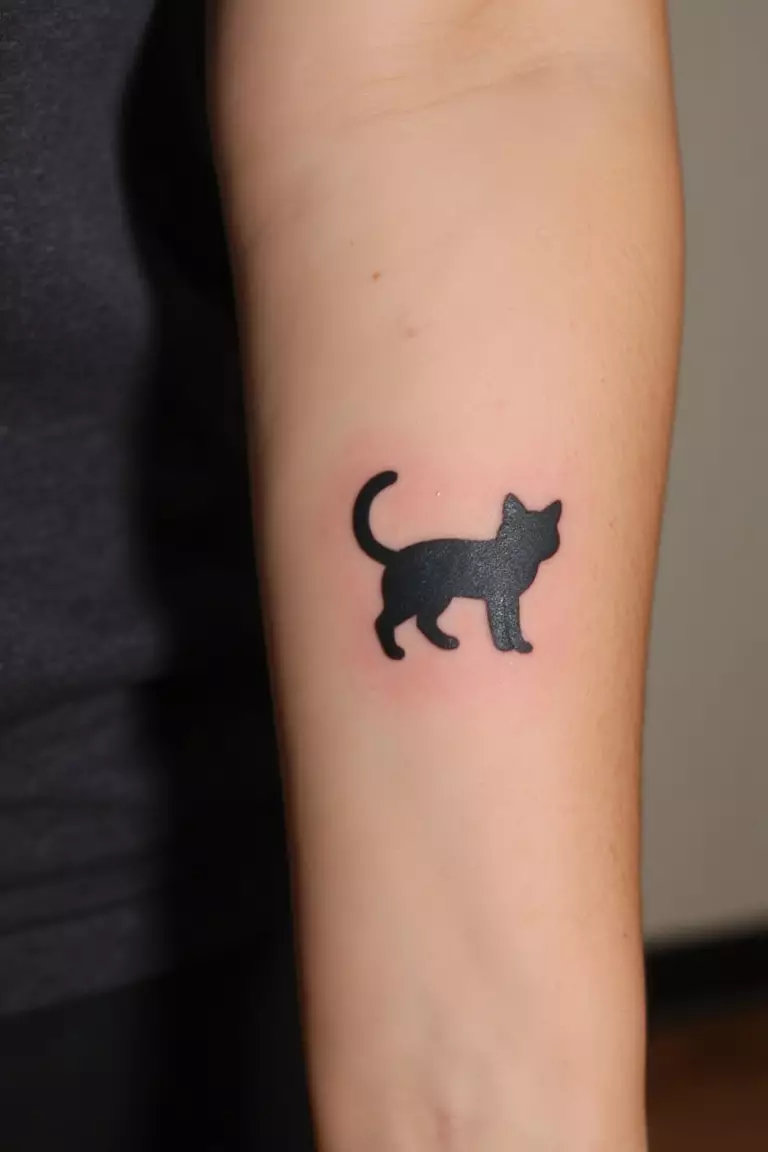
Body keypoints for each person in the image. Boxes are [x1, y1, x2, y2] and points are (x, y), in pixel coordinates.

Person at [1, 1, 683, 1149]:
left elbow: (461, 62)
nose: (528, 554)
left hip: (157, 877)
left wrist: (491, 1092)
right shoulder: (476, 563)